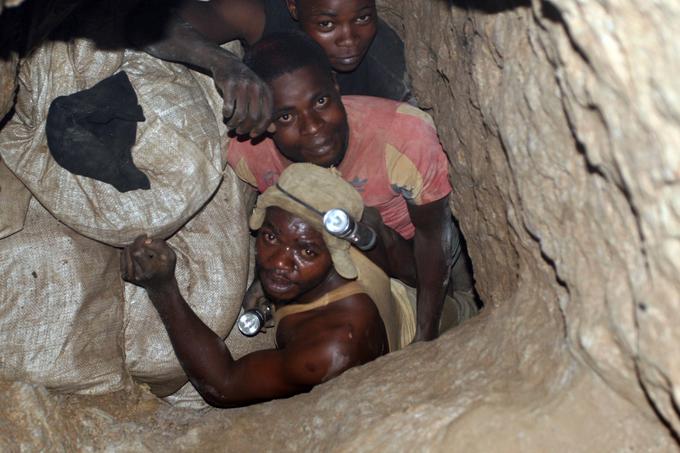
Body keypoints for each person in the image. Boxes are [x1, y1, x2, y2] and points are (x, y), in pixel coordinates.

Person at [227, 32, 477, 342]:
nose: (313, 127)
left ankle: (464, 301)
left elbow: (432, 238)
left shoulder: (403, 135)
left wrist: (425, 338)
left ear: (335, 86)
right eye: (287, 115)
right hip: (329, 254)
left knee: (447, 301)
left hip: (413, 248)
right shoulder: (250, 154)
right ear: (265, 120)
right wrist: (262, 279)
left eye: (320, 101)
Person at [120, 163, 415, 407]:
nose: (278, 263)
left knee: (456, 310)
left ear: (337, 252)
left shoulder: (329, 348)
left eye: (307, 252)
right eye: (271, 237)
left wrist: (163, 288)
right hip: (393, 299)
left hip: (408, 342)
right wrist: (264, 287)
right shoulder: (356, 226)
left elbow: (224, 386)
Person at [126, 0, 410, 137]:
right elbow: (150, 25)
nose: (349, 40)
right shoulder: (261, 15)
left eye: (363, 18)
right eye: (326, 24)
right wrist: (224, 63)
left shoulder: (388, 74)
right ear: (294, 8)